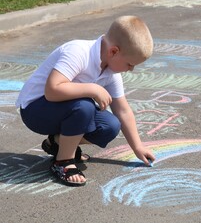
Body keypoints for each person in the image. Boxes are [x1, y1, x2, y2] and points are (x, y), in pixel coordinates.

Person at [16, 15, 156, 187]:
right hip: (35, 110)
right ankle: (63, 162)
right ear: (114, 51)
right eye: (129, 64)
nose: (131, 69)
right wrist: (93, 88)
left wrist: (137, 147)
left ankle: (57, 143)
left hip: (61, 111)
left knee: (110, 126)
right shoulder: (79, 52)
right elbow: (52, 90)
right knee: (84, 107)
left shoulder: (111, 72)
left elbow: (123, 111)